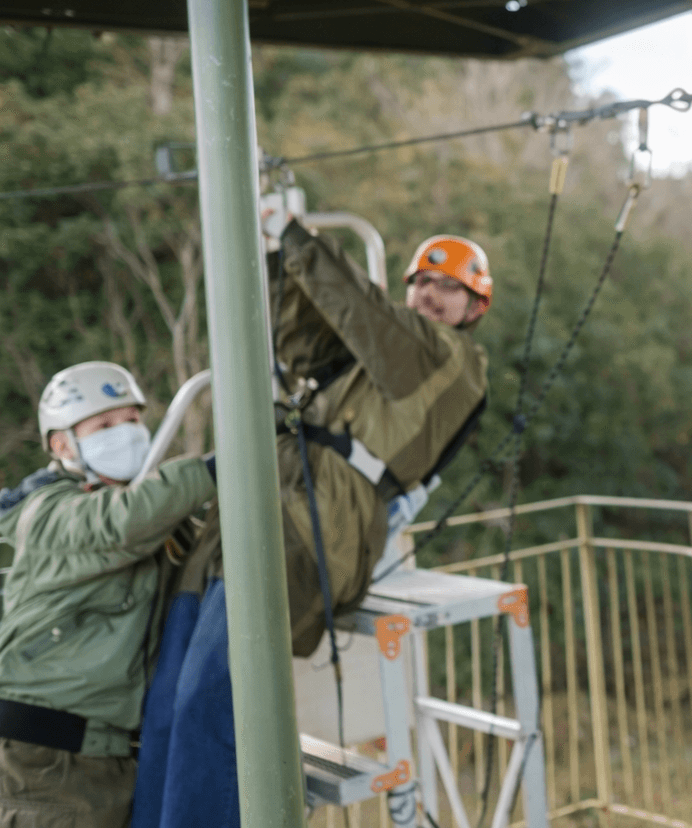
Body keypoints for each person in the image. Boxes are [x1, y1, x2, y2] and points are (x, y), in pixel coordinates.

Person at [140, 224, 492, 828]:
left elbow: (366, 314)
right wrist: (276, 259)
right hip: (257, 510)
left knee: (212, 695)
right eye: (422, 283)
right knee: (168, 697)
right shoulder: (369, 357)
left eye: (448, 288)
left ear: (476, 306)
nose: (430, 295)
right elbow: (303, 337)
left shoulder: (452, 362)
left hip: (314, 527)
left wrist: (301, 242)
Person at [0, 362, 215, 828]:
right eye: (104, 425)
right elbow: (118, 524)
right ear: (62, 445)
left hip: (108, 758)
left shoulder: (161, 521)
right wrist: (213, 471)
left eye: (133, 420)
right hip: (45, 761)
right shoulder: (48, 511)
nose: (126, 433)